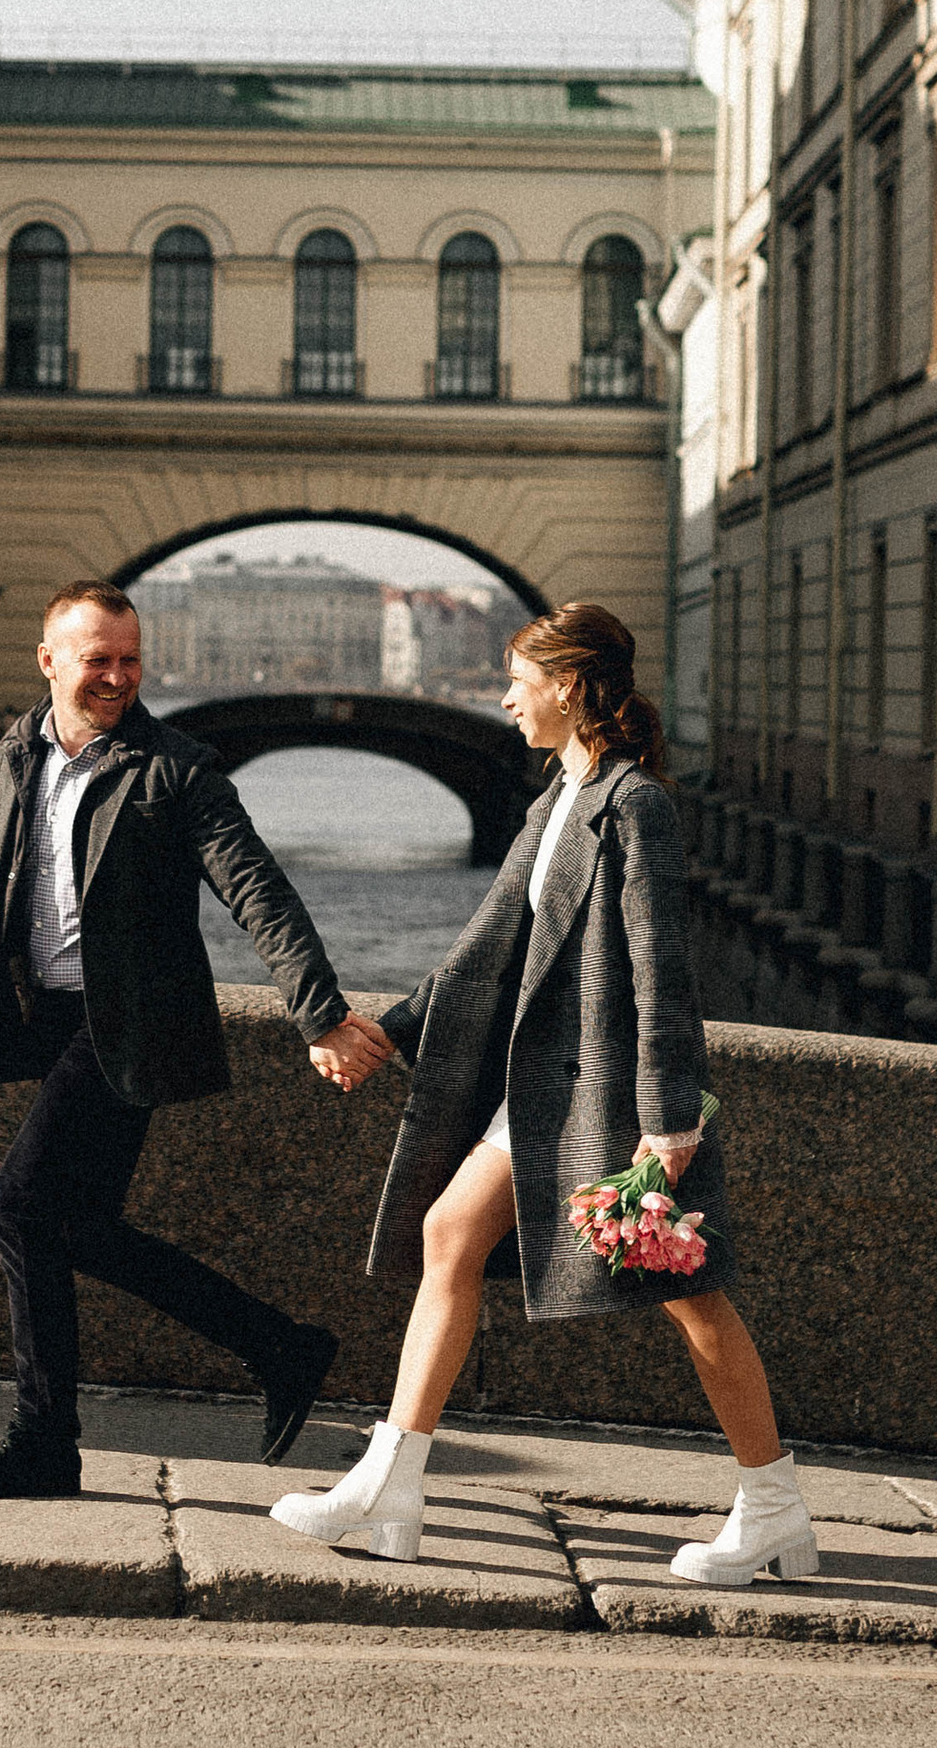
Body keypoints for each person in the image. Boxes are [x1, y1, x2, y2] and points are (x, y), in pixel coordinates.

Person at [269, 600, 815, 1589]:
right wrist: (379, 1031)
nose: (504, 697)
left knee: (691, 1298)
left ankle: (773, 1506)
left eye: (517, 678)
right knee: (448, 1235)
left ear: (568, 684)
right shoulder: (553, 797)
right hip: (537, 1092)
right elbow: (480, 952)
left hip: (609, 1097)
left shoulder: (631, 802)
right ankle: (390, 1485)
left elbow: (661, 969)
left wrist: (668, 1118)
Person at [0, 579, 386, 1498]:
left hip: (127, 1027)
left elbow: (256, 889)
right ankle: (280, 1346)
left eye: (131, 660)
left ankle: (46, 1438)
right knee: (75, 1227)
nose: (118, 677)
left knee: (19, 1206)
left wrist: (319, 1010)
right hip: (48, 1023)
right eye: (98, 660)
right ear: (50, 660)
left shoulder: (173, 769)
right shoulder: (9, 759)